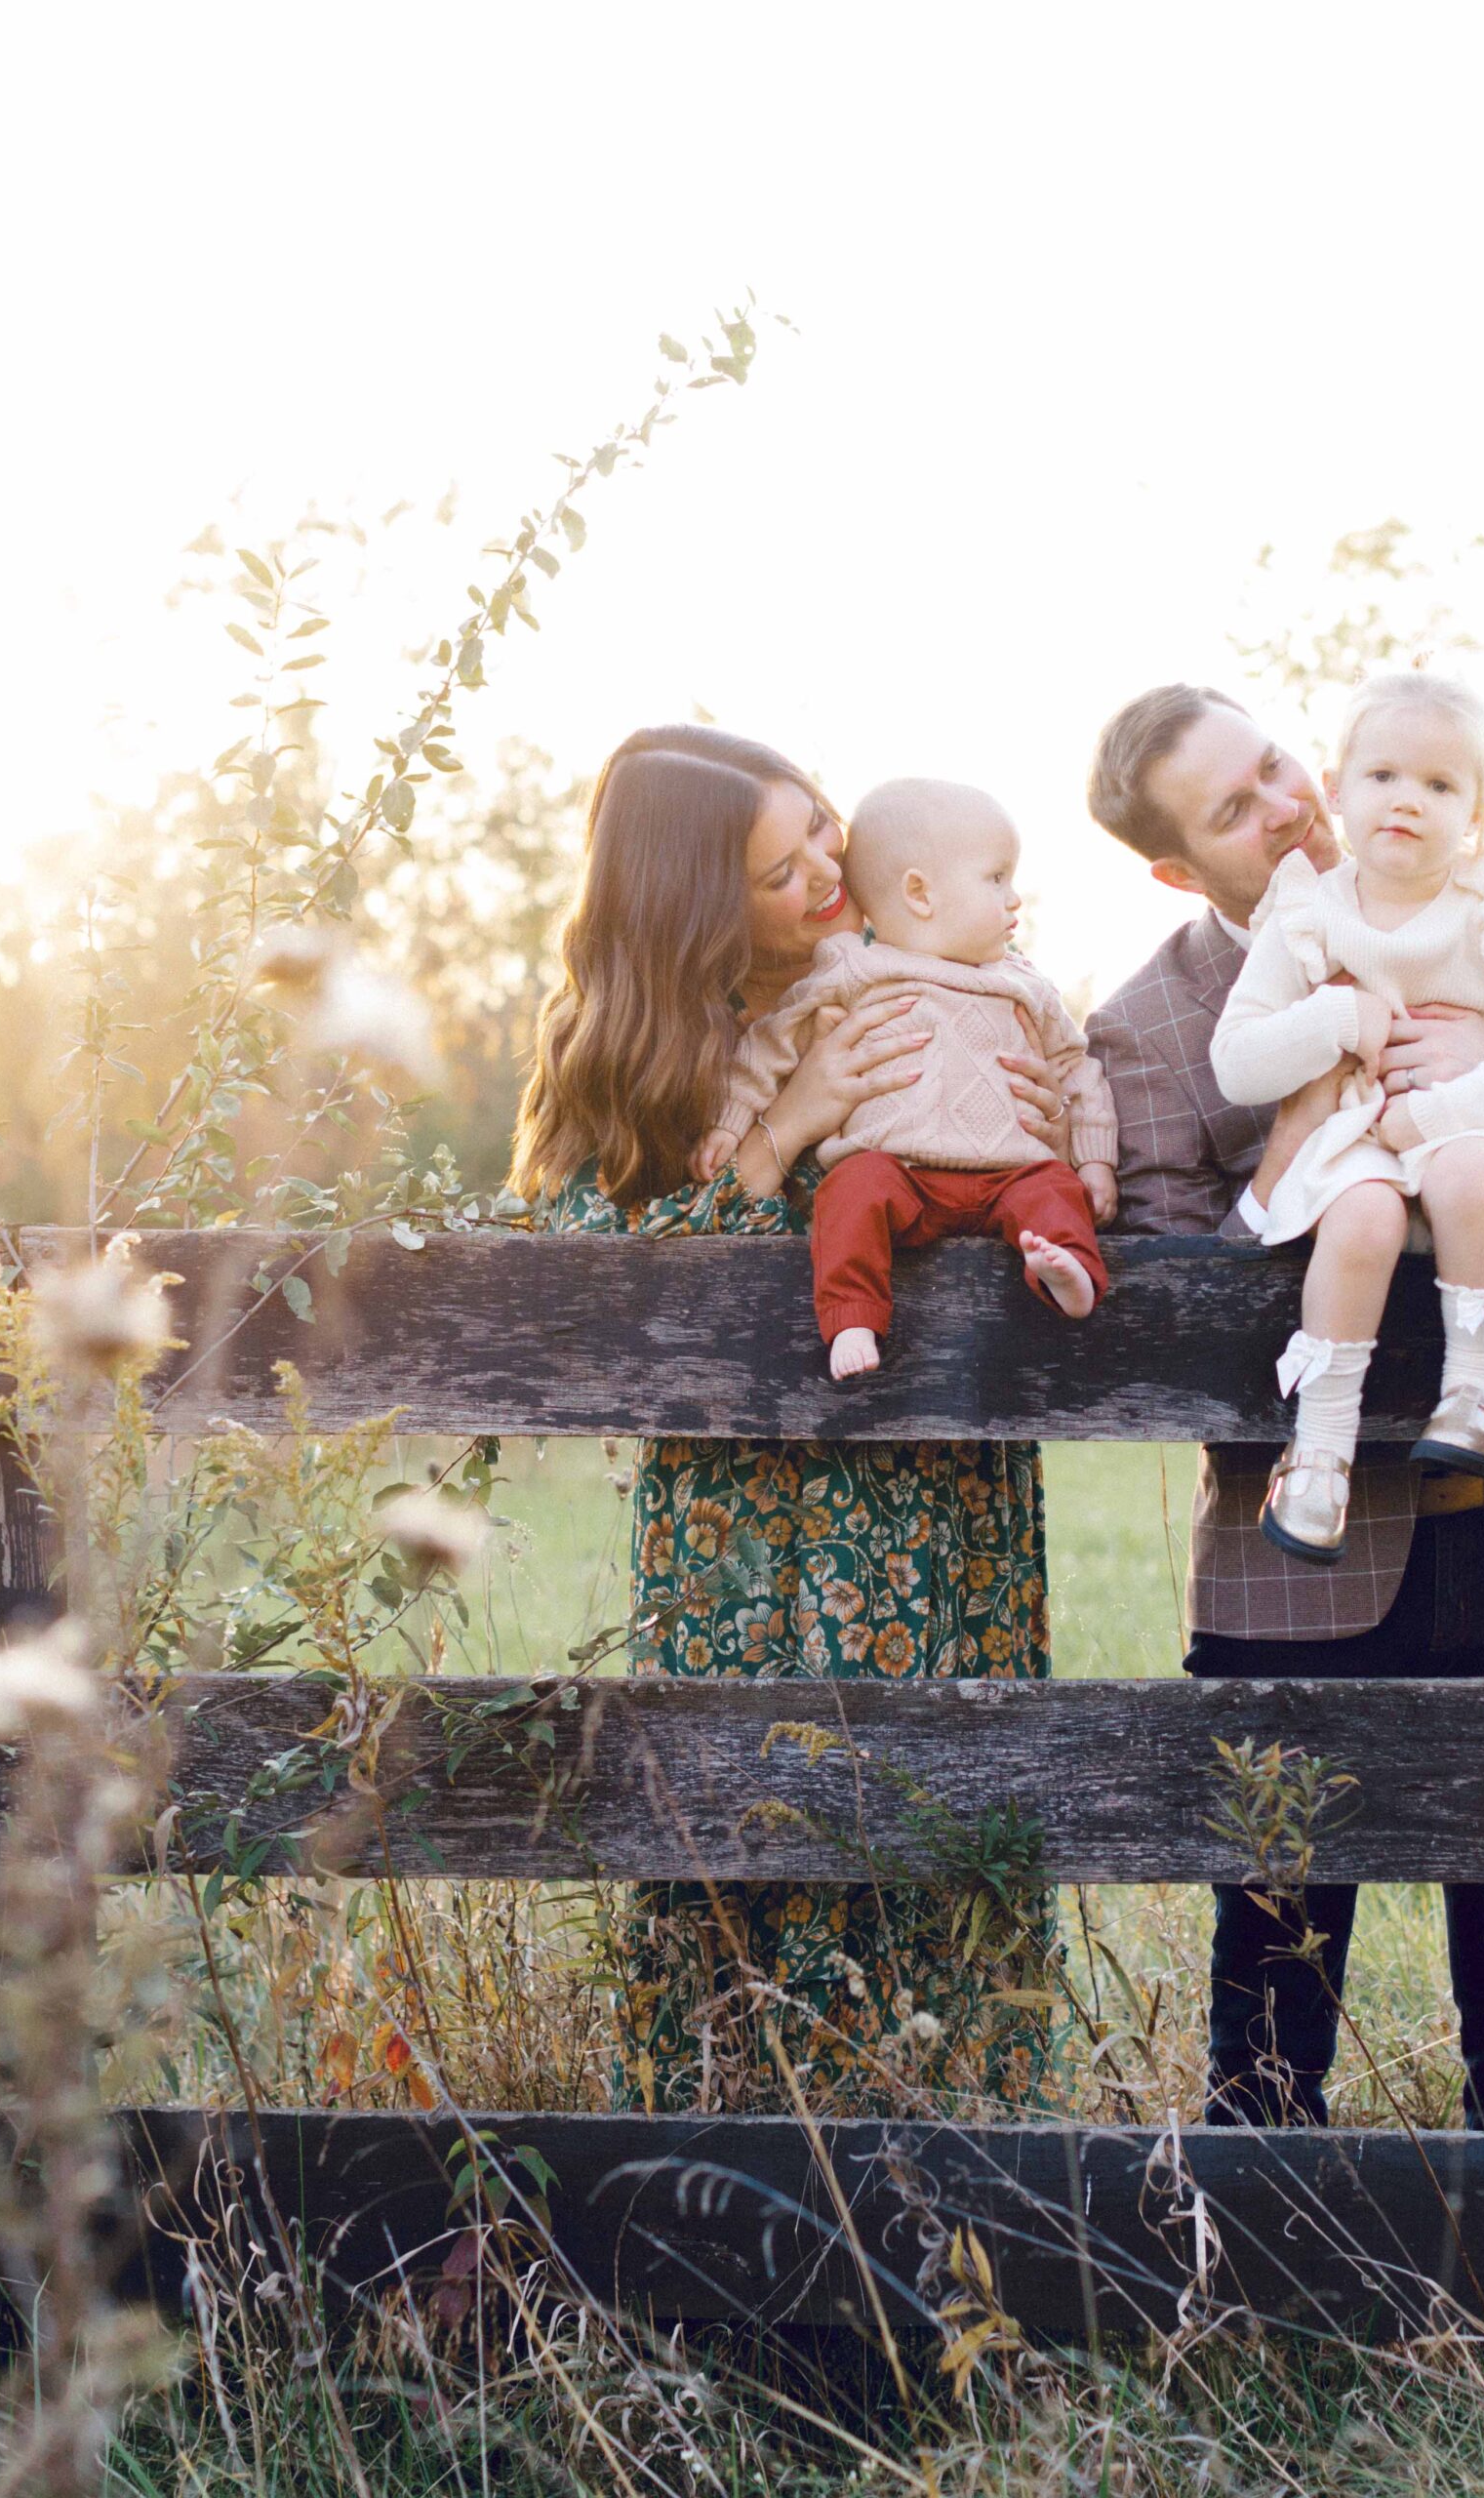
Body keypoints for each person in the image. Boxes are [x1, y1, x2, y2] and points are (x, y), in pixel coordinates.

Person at [1083, 684, 1484, 2134]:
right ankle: (1263, 2258)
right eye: (1233, 807)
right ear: (1172, 865)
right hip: (1296, 1547)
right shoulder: (1148, 1028)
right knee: (1273, 1956)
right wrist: (1299, 1149)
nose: (1288, 806)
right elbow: (1170, 1326)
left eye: (1276, 764)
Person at [509, 724, 1061, 2116]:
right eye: (779, 867)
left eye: (820, 827)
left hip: (935, 1489)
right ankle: (727, 2193)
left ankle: (969, 2175)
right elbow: (583, 1270)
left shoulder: (939, 978)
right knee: (743, 1806)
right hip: (743, 1522)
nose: (828, 867)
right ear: (697, 903)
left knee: (943, 1799)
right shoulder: (635, 1051)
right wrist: (785, 1129)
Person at [1209, 673, 1484, 1558]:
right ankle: (1321, 1453)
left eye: (1440, 785)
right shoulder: (1307, 913)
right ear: (1336, 791)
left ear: (1481, 813)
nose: (1407, 802)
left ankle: (1472, 1399)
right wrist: (1338, 1018)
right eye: (1382, 777)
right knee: (1363, 1213)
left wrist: (1439, 1115)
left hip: (1477, 1136)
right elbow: (1238, 1062)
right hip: (1358, 1144)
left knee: (1464, 1171)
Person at [706, 777, 1118, 1379]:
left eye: (821, 824)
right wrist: (733, 1118)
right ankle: (852, 1315)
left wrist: (1092, 1161)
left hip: (1007, 1175)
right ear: (920, 893)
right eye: (996, 878)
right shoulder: (856, 970)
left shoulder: (1021, 979)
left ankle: (1069, 1274)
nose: (1014, 899)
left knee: (1052, 1191)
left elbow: (1075, 1068)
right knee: (849, 1191)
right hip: (903, 1176)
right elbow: (771, 1044)